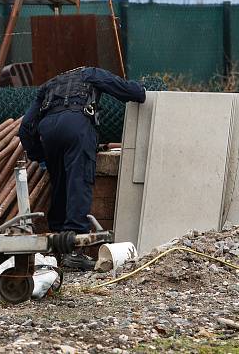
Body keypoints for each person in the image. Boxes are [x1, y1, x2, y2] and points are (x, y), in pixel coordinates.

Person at [19, 66, 146, 270]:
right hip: (77, 125)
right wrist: (142, 92)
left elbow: (25, 128)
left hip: (49, 131)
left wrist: (38, 155)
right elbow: (125, 90)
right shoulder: (90, 73)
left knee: (59, 184)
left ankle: (57, 249)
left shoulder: (49, 85)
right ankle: (75, 250)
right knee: (79, 181)